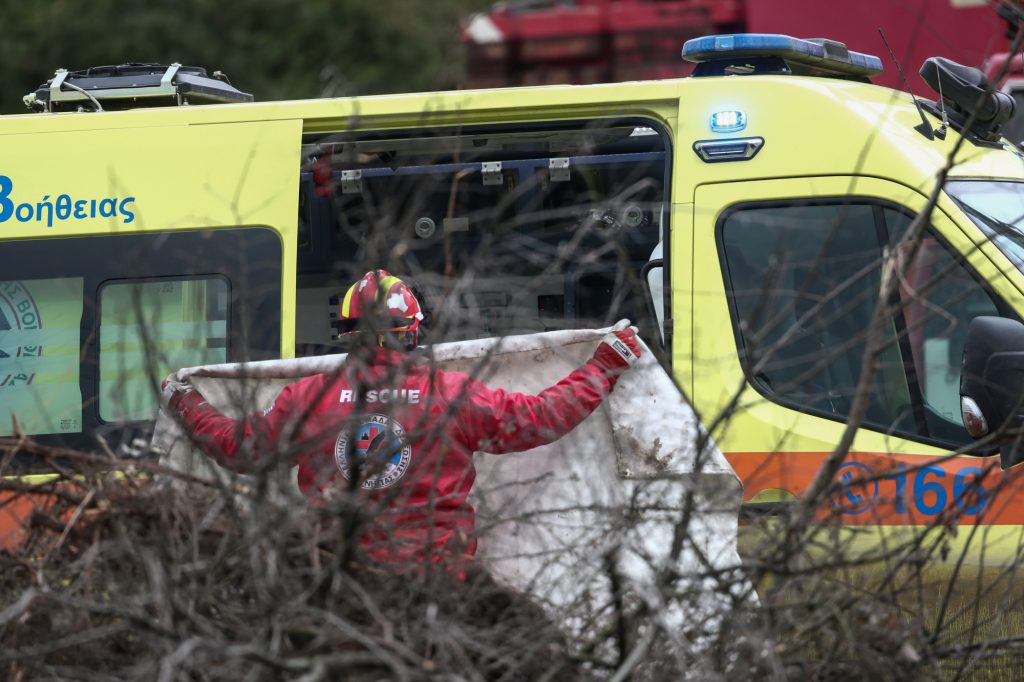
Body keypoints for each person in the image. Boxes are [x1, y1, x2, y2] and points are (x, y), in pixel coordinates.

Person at [161, 269, 642, 567]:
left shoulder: (308, 399)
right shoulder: (451, 396)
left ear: (346, 333)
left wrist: (185, 402)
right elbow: (541, 418)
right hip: (439, 589)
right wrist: (604, 364)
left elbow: (239, 449)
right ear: (414, 332)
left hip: (340, 589)